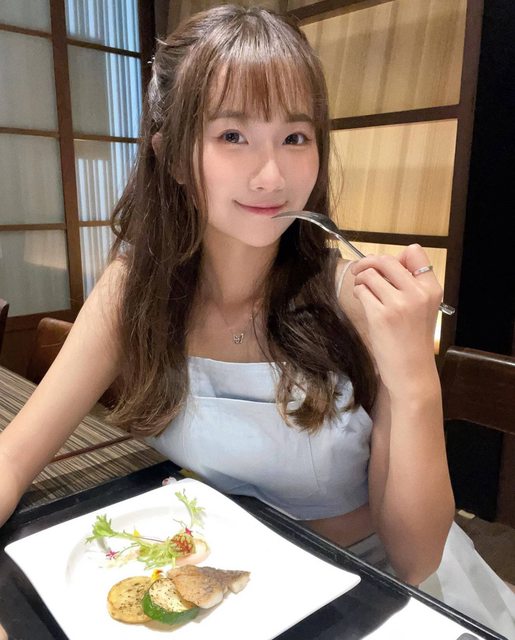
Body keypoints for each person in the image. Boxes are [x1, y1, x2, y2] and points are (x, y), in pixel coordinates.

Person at [0, 4, 514, 636]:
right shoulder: (137, 290)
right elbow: (13, 457)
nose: (272, 176)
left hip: (364, 597)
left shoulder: (354, 303)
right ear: (172, 156)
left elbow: (415, 559)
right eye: (233, 136)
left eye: (295, 138)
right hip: (224, 596)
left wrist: (414, 374)